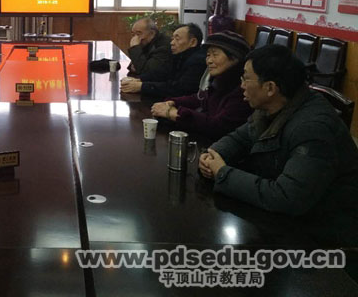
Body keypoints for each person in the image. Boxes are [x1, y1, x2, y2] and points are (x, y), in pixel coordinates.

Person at [199, 44, 358, 222]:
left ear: (270, 88)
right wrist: (213, 154)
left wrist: (223, 173)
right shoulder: (270, 106)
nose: (241, 85)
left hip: (329, 224)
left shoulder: (312, 128)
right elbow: (240, 138)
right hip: (290, 213)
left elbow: (288, 197)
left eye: (246, 79)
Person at [151, 31, 252, 141]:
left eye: (215, 55)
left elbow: (219, 126)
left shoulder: (244, 89)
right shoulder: (221, 80)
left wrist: (174, 113)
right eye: (208, 55)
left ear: (235, 57)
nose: (209, 61)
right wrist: (172, 102)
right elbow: (200, 99)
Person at [120, 23, 206, 98]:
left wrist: (142, 86)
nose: (172, 43)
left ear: (193, 42)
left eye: (177, 39)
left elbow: (179, 89)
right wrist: (139, 80)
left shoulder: (197, 61)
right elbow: (163, 73)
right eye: (172, 39)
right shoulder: (180, 55)